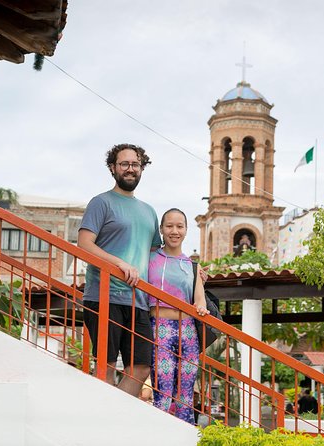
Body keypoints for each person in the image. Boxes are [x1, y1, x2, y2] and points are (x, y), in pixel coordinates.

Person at [79, 143, 162, 397]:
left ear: (142, 168)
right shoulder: (101, 203)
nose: (130, 169)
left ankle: (115, 411)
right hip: (105, 296)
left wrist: (192, 273)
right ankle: (103, 424)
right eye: (124, 164)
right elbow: (84, 244)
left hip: (138, 301)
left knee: (140, 368)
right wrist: (119, 263)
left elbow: (154, 256)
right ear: (113, 168)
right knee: (106, 366)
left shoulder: (149, 211)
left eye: (135, 164)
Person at [148, 208, 209, 425]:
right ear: (162, 230)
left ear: (186, 230)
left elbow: (199, 298)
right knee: (162, 392)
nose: (175, 231)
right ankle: (161, 435)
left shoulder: (192, 265)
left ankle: (184, 437)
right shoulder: (150, 258)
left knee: (185, 393)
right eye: (170, 226)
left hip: (188, 330)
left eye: (180, 226)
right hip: (159, 327)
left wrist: (201, 308)